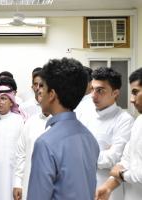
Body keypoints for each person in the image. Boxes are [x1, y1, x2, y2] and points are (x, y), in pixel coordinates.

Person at [27, 58, 99, 200]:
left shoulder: (46, 143)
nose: (40, 93)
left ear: (52, 94)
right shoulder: (89, 138)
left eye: (44, 89)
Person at [80, 67, 134, 200]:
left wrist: (80, 153)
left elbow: (113, 159)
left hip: (107, 190)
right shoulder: (84, 114)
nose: (93, 95)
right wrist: (100, 153)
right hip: (80, 185)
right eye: (92, 88)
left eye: (100, 90)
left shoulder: (124, 120)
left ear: (115, 93)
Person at [95, 68, 142, 200]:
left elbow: (116, 162)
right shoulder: (139, 122)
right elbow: (127, 158)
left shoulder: (125, 119)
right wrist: (108, 186)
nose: (131, 100)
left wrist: (122, 174)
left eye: (136, 92)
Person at [13, 82, 52, 200]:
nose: (41, 98)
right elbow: (21, 154)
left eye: (44, 94)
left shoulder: (62, 123)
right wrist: (17, 183)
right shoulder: (31, 122)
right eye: (39, 94)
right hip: (30, 184)